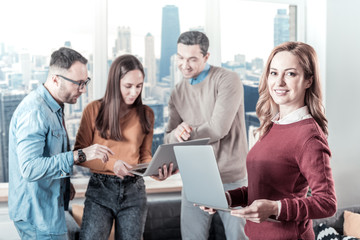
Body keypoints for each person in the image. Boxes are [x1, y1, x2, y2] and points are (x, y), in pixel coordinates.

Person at [202, 41, 337, 240]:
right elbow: (263, 189)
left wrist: (276, 208)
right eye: (274, 73)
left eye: (290, 74)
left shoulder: (309, 137)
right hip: (255, 235)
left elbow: (327, 203)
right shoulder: (272, 125)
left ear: (309, 80)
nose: (279, 82)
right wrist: (228, 198)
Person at [8, 47, 114, 240]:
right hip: (38, 217)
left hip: (48, 210)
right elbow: (30, 168)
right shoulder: (35, 112)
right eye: (78, 83)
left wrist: (64, 184)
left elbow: (49, 155)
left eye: (85, 82)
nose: (83, 89)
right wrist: (79, 155)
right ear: (56, 79)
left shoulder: (54, 107)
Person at [74, 54, 175, 240]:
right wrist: (112, 164)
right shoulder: (93, 110)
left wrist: (154, 170)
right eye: (128, 86)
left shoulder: (147, 114)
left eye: (139, 86)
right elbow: (79, 155)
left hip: (134, 191)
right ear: (115, 83)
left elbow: (144, 155)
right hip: (100, 190)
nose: (134, 92)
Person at [164, 31, 249, 240]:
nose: (185, 65)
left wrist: (186, 135)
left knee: (238, 237)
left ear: (206, 57)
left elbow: (218, 129)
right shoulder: (177, 92)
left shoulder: (227, 79)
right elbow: (167, 138)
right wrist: (177, 134)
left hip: (232, 178)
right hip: (196, 178)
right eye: (181, 58)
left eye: (192, 59)